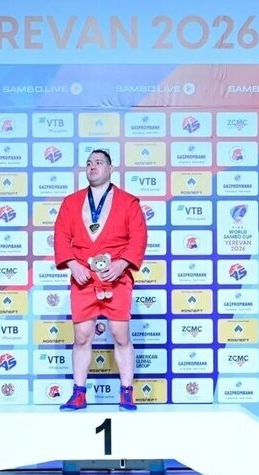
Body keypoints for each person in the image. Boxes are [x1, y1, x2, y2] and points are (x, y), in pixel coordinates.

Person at [54, 149, 148, 411]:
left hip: (116, 278)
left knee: (120, 334)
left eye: (98, 162)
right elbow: (61, 236)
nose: (92, 167)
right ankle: (79, 393)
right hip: (83, 278)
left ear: (110, 168)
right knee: (82, 336)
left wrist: (121, 264)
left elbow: (138, 237)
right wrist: (73, 265)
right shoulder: (70, 202)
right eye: (88, 163)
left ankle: (126, 392)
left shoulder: (128, 202)